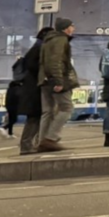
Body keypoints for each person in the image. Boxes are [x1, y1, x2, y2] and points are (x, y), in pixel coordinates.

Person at [37, 18, 79, 152]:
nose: (74, 28)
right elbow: (56, 62)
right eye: (72, 26)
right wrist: (59, 81)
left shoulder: (48, 40)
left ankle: (41, 142)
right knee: (66, 108)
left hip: (44, 80)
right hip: (56, 80)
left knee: (47, 111)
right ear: (65, 28)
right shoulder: (61, 40)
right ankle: (50, 138)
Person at [16, 29, 45, 154]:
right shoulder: (38, 50)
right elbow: (34, 66)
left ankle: (28, 144)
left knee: (34, 119)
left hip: (31, 91)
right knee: (34, 118)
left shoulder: (35, 49)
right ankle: (26, 145)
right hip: (33, 92)